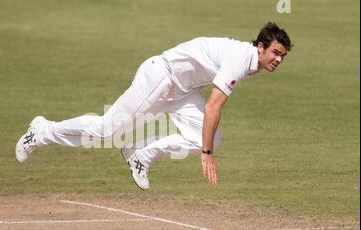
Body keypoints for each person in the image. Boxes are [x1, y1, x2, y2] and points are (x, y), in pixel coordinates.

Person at [16, 22, 292, 190]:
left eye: (282, 56)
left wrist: (208, 146)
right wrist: (205, 154)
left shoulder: (254, 63)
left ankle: (141, 154)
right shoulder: (240, 58)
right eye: (275, 53)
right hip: (162, 77)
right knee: (106, 131)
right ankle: (41, 131)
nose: (278, 60)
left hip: (183, 91)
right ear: (259, 46)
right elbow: (212, 107)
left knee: (211, 137)